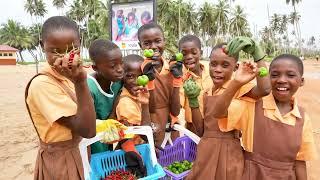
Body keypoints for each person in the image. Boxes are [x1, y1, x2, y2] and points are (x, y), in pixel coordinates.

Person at [218, 54, 318, 180]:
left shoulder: (302, 119)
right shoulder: (253, 106)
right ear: (268, 78)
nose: (282, 80)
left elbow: (299, 162)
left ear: (301, 81)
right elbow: (219, 113)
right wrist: (236, 83)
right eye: (275, 75)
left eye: (290, 75)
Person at [185, 37, 271, 180]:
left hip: (229, 152)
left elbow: (265, 89)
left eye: (225, 65)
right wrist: (193, 100)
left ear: (235, 68)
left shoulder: (239, 88)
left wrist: (258, 54)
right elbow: (201, 131)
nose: (218, 70)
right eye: (213, 64)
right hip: (206, 151)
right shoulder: (206, 92)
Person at [25, 16, 96, 180]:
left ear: (80, 43)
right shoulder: (42, 85)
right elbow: (88, 130)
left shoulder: (68, 76)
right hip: (62, 161)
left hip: (77, 151)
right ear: (43, 46)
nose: (65, 58)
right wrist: (80, 81)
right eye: (55, 51)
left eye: (72, 49)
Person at [137, 23, 182, 147]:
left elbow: (176, 111)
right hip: (151, 123)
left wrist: (177, 80)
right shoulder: (138, 71)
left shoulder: (172, 69)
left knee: (173, 159)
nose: (153, 47)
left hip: (170, 123)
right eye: (147, 43)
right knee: (153, 156)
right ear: (140, 46)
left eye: (158, 41)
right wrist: (150, 81)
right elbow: (151, 107)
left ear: (164, 41)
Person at [115, 54, 151, 177]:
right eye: (130, 76)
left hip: (137, 149)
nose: (136, 81)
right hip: (132, 153)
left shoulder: (137, 96)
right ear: (122, 78)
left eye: (141, 76)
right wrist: (145, 105)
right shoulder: (126, 103)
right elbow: (144, 134)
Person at [87, 39, 124, 154]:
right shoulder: (88, 88)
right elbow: (89, 126)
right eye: (113, 66)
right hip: (92, 141)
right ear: (95, 68)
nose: (120, 69)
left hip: (109, 136)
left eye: (121, 63)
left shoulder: (117, 81)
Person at [178, 34, 212, 135]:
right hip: (193, 128)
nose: (189, 57)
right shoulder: (180, 77)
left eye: (194, 52)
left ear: (200, 53)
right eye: (184, 54)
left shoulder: (210, 70)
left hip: (213, 125)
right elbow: (178, 105)